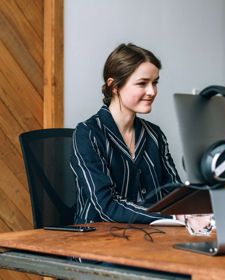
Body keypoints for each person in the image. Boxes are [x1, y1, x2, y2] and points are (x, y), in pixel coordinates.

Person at [71, 43, 182, 225]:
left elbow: (175, 195)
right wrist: (171, 218)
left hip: (152, 237)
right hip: (97, 243)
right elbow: (105, 207)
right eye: (142, 83)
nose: (152, 91)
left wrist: (195, 212)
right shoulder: (87, 133)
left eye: (155, 82)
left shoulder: (155, 134)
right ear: (114, 86)